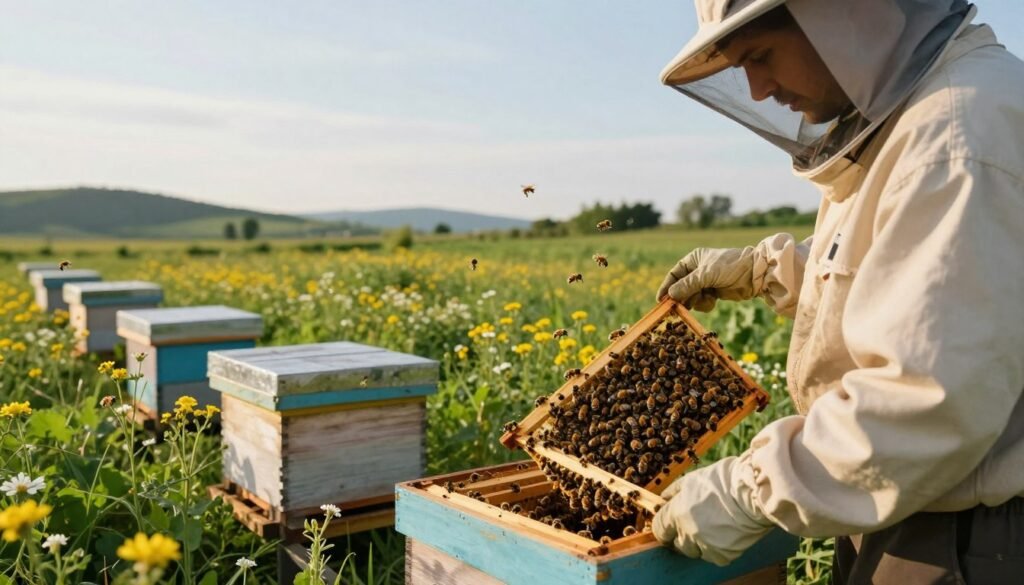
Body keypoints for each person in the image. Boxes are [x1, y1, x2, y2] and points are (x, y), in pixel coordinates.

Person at [650, 0, 1024, 582]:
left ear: (847, 12)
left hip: (966, 536)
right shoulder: (927, 113)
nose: (756, 90)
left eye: (761, 55)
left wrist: (751, 490)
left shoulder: (955, 133)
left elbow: (927, 398)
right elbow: (913, 284)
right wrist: (767, 270)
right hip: (911, 506)